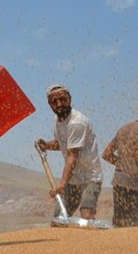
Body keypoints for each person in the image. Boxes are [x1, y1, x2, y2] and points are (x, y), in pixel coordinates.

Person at [35, 84, 103, 220]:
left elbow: (72, 156)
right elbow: (61, 143)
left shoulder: (77, 122)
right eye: (54, 102)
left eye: (62, 99)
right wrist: (46, 145)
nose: (59, 104)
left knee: (86, 215)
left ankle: (93, 241)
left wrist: (61, 185)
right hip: (73, 179)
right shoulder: (57, 121)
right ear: (49, 104)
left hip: (90, 178)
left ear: (69, 99)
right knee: (60, 218)